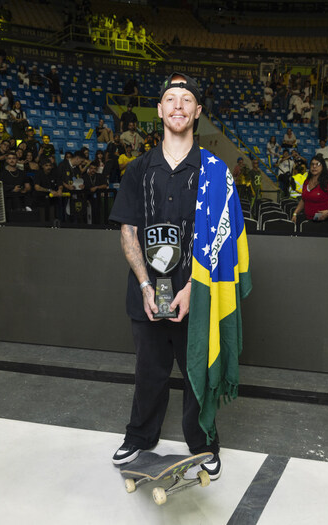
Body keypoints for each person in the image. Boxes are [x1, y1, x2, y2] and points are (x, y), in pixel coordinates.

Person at [109, 71, 250, 480]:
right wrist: (144, 285)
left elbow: (223, 242)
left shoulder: (215, 172)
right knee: (148, 372)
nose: (177, 106)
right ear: (159, 109)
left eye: (186, 101)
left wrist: (192, 288)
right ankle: (139, 436)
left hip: (199, 295)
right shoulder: (137, 169)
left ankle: (204, 443)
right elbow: (128, 231)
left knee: (197, 373)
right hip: (147, 294)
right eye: (170, 99)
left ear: (197, 112)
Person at [292, 156, 328, 227]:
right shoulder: (306, 182)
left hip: (325, 222)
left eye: (317, 164)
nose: (314, 166)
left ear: (323, 167)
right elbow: (304, 199)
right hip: (308, 221)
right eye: (312, 164)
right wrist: (295, 213)